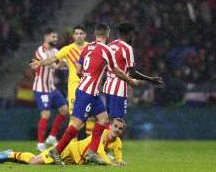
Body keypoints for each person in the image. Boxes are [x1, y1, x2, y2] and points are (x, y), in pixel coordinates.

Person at [32, 23, 139, 165]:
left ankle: (92, 152)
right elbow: (117, 71)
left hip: (89, 91)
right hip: (87, 93)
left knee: (104, 119)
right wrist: (131, 81)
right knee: (77, 124)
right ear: (107, 35)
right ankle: (56, 151)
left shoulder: (86, 48)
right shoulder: (106, 50)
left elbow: (78, 70)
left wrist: (89, 77)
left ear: (94, 34)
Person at [30, 26, 95, 135]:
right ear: (73, 36)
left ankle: (90, 146)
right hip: (74, 87)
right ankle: (72, 145)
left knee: (91, 116)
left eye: (81, 33)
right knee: (74, 117)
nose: (79, 35)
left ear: (85, 35)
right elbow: (52, 59)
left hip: (89, 86)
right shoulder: (67, 49)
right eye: (77, 33)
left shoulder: (91, 48)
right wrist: (40, 63)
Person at [0, 118, 126, 166]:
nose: (117, 130)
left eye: (120, 128)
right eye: (115, 126)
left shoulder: (117, 142)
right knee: (34, 161)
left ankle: (12, 156)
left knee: (39, 163)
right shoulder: (100, 134)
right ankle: (10, 154)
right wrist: (112, 164)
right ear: (110, 126)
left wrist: (119, 161)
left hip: (75, 160)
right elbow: (100, 153)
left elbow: (119, 156)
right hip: (69, 150)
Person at [103, 23, 163, 119]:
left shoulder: (110, 45)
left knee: (109, 120)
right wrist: (150, 79)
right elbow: (133, 73)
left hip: (107, 87)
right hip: (119, 89)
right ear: (130, 34)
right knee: (117, 121)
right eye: (133, 34)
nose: (133, 37)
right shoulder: (127, 48)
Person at [31, 27, 68, 152]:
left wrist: (68, 64)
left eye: (56, 37)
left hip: (52, 88)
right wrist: (58, 65)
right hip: (41, 88)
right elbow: (47, 62)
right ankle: (40, 143)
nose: (56, 39)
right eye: (53, 37)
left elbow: (63, 61)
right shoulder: (40, 50)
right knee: (46, 114)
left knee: (64, 110)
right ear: (46, 37)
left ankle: (52, 137)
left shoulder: (55, 50)